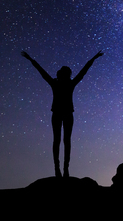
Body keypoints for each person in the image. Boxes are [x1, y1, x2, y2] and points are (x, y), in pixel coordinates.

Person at [21, 50, 104, 178]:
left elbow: (43, 72)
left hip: (61, 113)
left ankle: (62, 169)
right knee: (63, 141)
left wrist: (31, 59)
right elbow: (83, 71)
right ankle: (61, 169)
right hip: (63, 113)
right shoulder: (67, 83)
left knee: (61, 141)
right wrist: (31, 59)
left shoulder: (59, 83)